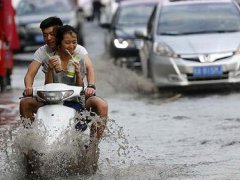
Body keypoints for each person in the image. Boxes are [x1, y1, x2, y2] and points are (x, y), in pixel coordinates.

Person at [19, 17, 108, 143]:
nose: (49, 38)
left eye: (52, 34)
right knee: (24, 103)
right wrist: (29, 87)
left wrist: (91, 86)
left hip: (76, 97)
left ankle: (93, 145)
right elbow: (32, 75)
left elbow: (89, 68)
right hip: (52, 98)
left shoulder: (77, 51)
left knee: (101, 105)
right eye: (45, 35)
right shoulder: (45, 53)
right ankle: (32, 141)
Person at [45, 25, 108, 144]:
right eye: (67, 42)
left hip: (75, 100)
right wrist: (49, 69)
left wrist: (79, 73)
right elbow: (48, 86)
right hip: (56, 100)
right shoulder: (53, 59)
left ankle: (93, 146)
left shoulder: (78, 58)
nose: (72, 46)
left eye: (74, 42)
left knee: (99, 107)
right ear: (59, 43)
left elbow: (80, 88)